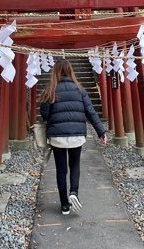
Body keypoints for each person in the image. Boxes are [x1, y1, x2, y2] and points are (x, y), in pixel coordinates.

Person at [39, 59, 107, 215]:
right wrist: (101, 131)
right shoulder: (80, 90)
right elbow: (91, 112)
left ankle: (64, 205)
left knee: (61, 170)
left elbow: (44, 114)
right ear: (71, 71)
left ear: (55, 71)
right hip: (77, 134)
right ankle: (74, 193)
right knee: (74, 165)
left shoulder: (50, 90)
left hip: (57, 136)